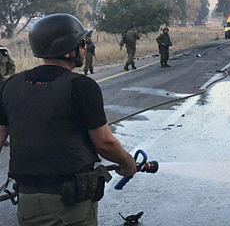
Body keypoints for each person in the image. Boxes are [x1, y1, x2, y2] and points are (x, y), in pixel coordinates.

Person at [0, 13, 136, 226]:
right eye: (81, 43)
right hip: (68, 207)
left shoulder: (10, 86)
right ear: (67, 51)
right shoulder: (82, 86)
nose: (84, 48)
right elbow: (104, 143)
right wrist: (127, 163)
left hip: (27, 204)